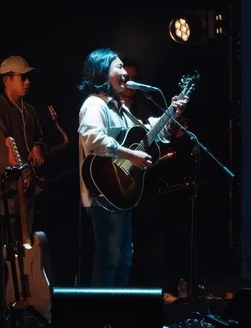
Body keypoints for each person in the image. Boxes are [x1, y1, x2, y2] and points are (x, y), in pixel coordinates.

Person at [77, 47, 188, 288]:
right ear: (103, 73)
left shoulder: (119, 107)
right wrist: (131, 155)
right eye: (118, 67)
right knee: (110, 261)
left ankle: (118, 309)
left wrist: (171, 112)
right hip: (103, 195)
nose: (125, 73)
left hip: (120, 193)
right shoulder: (94, 105)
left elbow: (147, 133)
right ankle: (100, 311)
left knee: (124, 260)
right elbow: (93, 140)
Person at [0, 55, 48, 326]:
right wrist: (25, 171)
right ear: (7, 80)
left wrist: (39, 147)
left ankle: (27, 306)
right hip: (6, 192)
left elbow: (38, 137)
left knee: (26, 251)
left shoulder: (27, 110)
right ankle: (3, 314)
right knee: (6, 254)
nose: (28, 81)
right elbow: (4, 154)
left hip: (26, 190)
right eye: (23, 77)